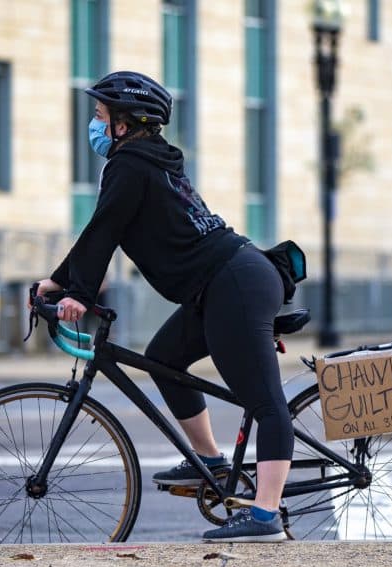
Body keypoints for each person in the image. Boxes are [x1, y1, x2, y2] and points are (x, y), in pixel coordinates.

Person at [35, 71, 292, 542]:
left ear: (125, 123)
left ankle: (265, 516)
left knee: (266, 401)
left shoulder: (131, 164)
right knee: (163, 359)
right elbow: (104, 228)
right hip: (225, 282)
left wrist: (78, 295)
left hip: (234, 284)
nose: (93, 125)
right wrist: (60, 281)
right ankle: (210, 462)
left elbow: (105, 230)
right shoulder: (144, 160)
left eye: (99, 116)